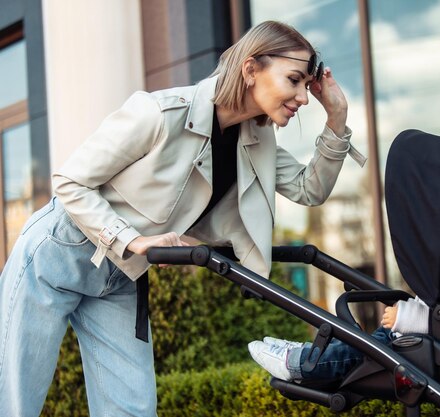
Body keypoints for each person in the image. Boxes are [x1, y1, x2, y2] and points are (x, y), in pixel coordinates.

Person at [0, 20, 365, 417]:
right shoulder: (159, 112)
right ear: (250, 69)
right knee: (16, 399)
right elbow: (70, 183)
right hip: (58, 253)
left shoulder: (256, 141)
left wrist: (337, 117)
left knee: (132, 408)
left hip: (121, 273)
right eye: (293, 80)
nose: (302, 97)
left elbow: (309, 189)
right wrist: (133, 239)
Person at [248, 295, 429, 381]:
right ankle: (305, 351)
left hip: (413, 344)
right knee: (352, 342)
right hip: (401, 334)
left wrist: (404, 316)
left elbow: (438, 322)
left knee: (356, 352)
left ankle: (295, 363)